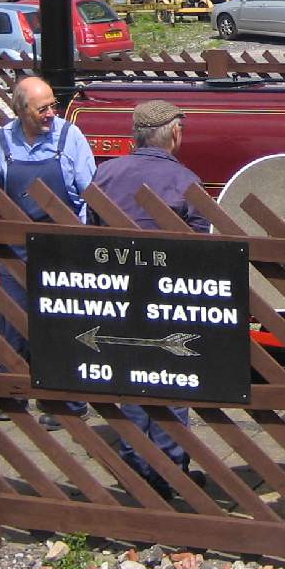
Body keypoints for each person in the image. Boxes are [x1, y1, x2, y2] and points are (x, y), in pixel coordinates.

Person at [90, 99, 209, 497]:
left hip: (117, 295)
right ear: (175, 133)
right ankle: (170, 467)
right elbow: (200, 246)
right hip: (168, 296)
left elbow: (90, 234)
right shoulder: (186, 181)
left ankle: (135, 463)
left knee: (128, 375)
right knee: (170, 378)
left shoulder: (104, 174)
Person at [0, 76, 96, 428]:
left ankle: (67, 404)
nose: (51, 113)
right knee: (13, 322)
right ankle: (11, 397)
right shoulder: (1, 142)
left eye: (53, 105)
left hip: (61, 246)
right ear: (20, 110)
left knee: (62, 323)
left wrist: (82, 241)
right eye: (42, 108)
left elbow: (88, 193)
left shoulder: (69, 137)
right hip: (15, 247)